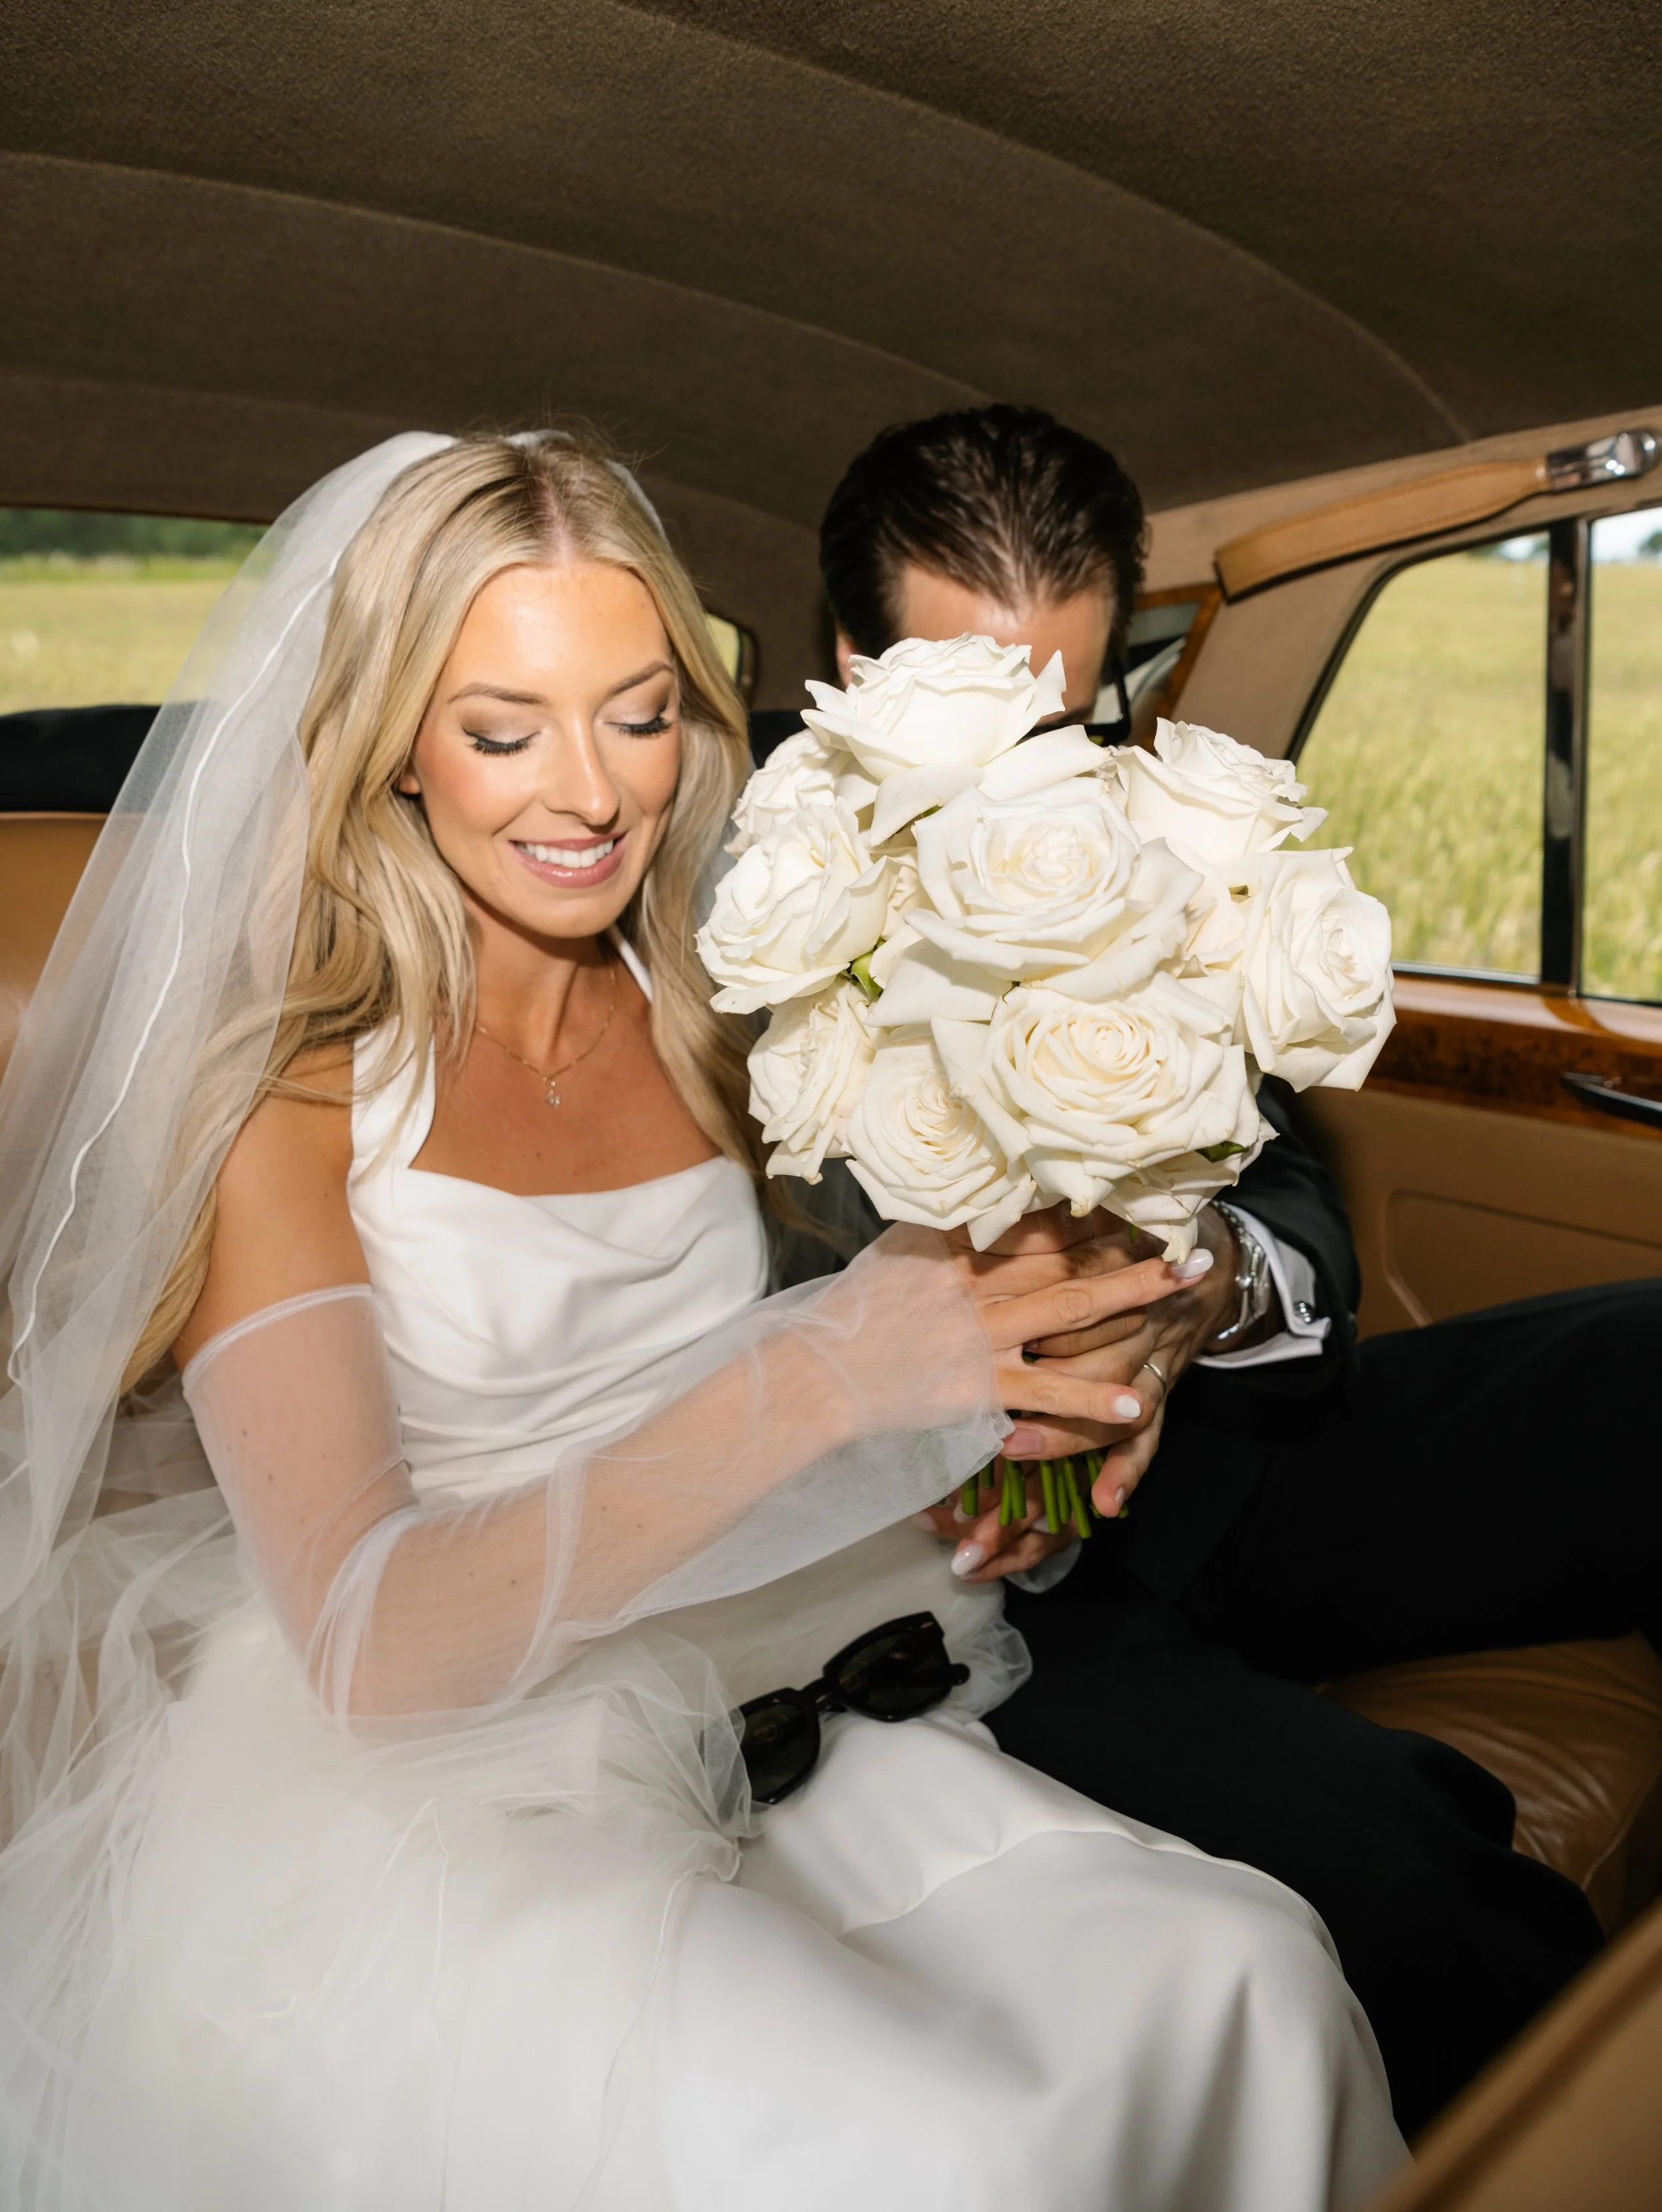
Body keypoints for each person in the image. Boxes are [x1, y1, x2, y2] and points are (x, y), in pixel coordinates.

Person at [0, 429, 1403, 2212]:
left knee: (1246, 1976)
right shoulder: (285, 1087)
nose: (587, 790)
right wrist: (825, 1377)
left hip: (758, 1671)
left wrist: (1047, 1372)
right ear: (393, 744)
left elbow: (894, 1310)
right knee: (940, 2157)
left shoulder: (713, 997)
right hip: (427, 1781)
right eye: (502, 725)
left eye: (638, 710)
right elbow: (366, 1636)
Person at [811, 401, 1662, 2138]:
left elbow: (1283, 1168)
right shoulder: (672, 897)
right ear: (847, 661)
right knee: (1401, 1870)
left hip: (1223, 1450)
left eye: (1068, 713)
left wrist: (1222, 1273)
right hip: (962, 1590)